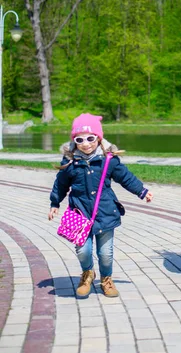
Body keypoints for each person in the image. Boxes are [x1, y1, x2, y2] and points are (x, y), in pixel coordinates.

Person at [48, 113, 153, 299]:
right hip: (80, 212)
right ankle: (87, 274)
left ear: (98, 137)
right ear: (74, 140)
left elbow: (125, 177)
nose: (86, 143)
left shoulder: (108, 160)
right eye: (80, 139)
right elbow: (60, 184)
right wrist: (55, 203)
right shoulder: (70, 162)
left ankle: (106, 279)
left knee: (105, 253)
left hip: (105, 212)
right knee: (83, 250)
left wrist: (141, 191)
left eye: (90, 138)